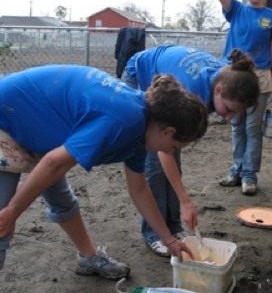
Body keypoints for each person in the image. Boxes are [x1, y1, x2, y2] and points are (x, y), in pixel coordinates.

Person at [0, 64, 208, 278]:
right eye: (173, 147)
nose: (168, 151)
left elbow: (139, 190)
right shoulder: (124, 121)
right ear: (168, 131)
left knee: (62, 199)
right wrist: (14, 211)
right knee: (3, 222)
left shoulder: (143, 127)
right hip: (7, 114)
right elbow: (54, 163)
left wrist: (169, 239)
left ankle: (89, 259)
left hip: (38, 122)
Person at [122, 45, 259, 256]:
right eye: (229, 110)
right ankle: (154, 234)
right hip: (139, 74)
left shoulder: (232, 77)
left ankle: (174, 227)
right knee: (155, 163)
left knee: (173, 159)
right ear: (218, 91)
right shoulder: (191, 92)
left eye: (236, 113)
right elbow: (163, 152)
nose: (230, 117)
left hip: (173, 77)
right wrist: (186, 200)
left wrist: (183, 199)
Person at [179, 0, 272, 195]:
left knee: (253, 128)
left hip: (260, 78)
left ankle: (249, 175)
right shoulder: (236, 9)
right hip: (234, 75)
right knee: (236, 125)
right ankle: (237, 170)